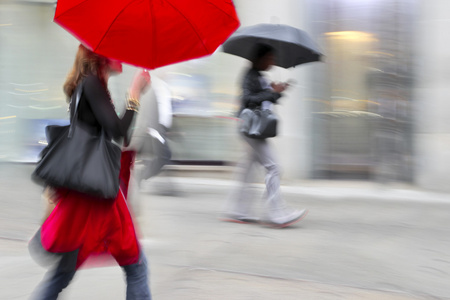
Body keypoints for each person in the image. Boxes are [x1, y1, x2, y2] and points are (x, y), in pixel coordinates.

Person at [29, 44, 152, 300]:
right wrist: (135, 93)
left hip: (86, 191)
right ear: (100, 54)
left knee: (64, 273)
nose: (120, 57)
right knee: (136, 266)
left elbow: (115, 132)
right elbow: (118, 132)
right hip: (98, 192)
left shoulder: (88, 85)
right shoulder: (92, 83)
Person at [223, 43, 308, 228]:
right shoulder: (250, 75)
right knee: (275, 167)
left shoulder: (258, 76)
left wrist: (278, 91)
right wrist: (271, 92)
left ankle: (239, 211)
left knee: (247, 170)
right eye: (270, 58)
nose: (273, 62)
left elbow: (264, 100)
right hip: (251, 128)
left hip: (254, 128)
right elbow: (248, 100)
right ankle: (277, 213)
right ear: (260, 58)